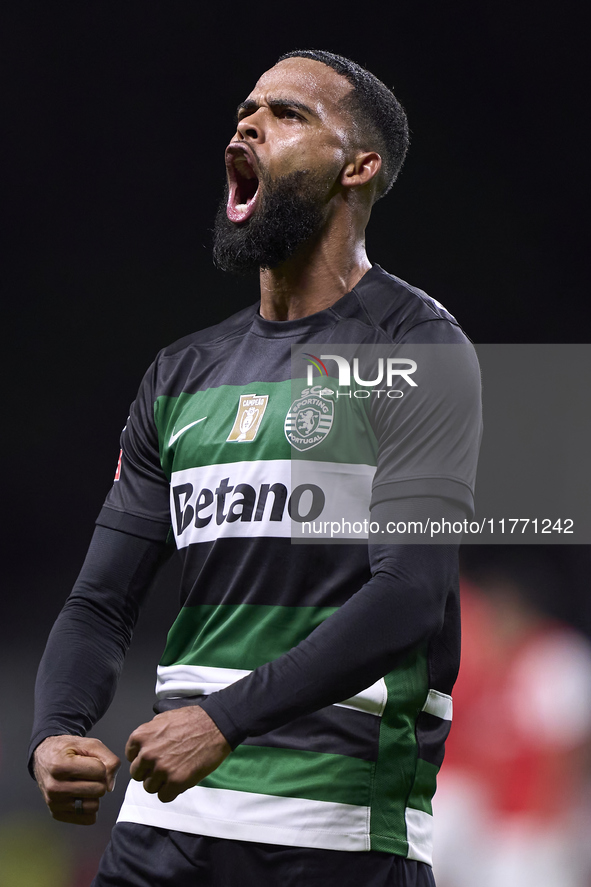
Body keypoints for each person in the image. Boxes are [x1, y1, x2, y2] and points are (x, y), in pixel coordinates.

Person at [29, 50, 482, 886]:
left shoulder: (417, 345)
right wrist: (54, 731)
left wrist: (224, 719)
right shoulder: (181, 372)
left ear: (359, 166)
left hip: (330, 833)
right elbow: (99, 602)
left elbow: (409, 595)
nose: (248, 122)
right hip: (160, 832)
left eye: (287, 113)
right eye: (245, 109)